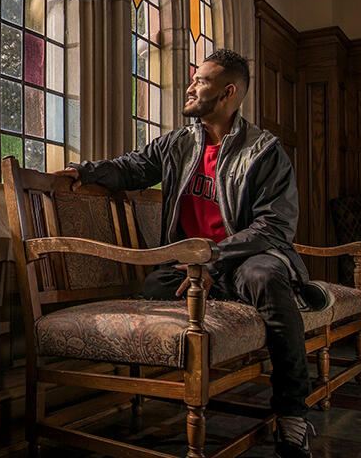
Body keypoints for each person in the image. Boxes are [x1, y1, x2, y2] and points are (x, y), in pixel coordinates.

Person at [56, 49, 332, 458]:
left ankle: (292, 415)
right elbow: (133, 167)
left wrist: (212, 255)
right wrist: (87, 171)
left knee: (264, 279)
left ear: (228, 92)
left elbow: (274, 225)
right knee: (153, 283)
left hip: (240, 259)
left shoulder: (264, 150)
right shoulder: (178, 143)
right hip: (190, 265)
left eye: (201, 81)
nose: (190, 87)